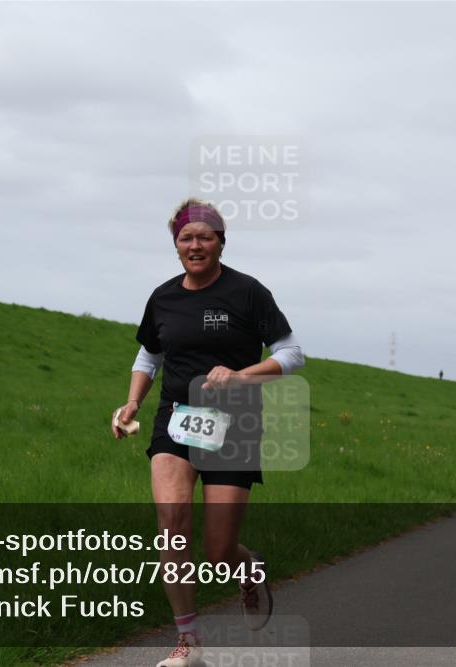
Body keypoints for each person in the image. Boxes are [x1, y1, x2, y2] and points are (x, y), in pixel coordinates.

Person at [112, 198, 304, 667]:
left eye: (205, 236)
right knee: (172, 529)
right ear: (175, 244)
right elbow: (149, 357)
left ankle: (248, 567)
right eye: (185, 237)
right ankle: (188, 645)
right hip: (175, 419)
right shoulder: (163, 298)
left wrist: (242, 376)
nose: (195, 245)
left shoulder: (247, 293)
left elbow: (292, 353)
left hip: (234, 420)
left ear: (220, 241)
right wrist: (133, 401)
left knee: (218, 550)